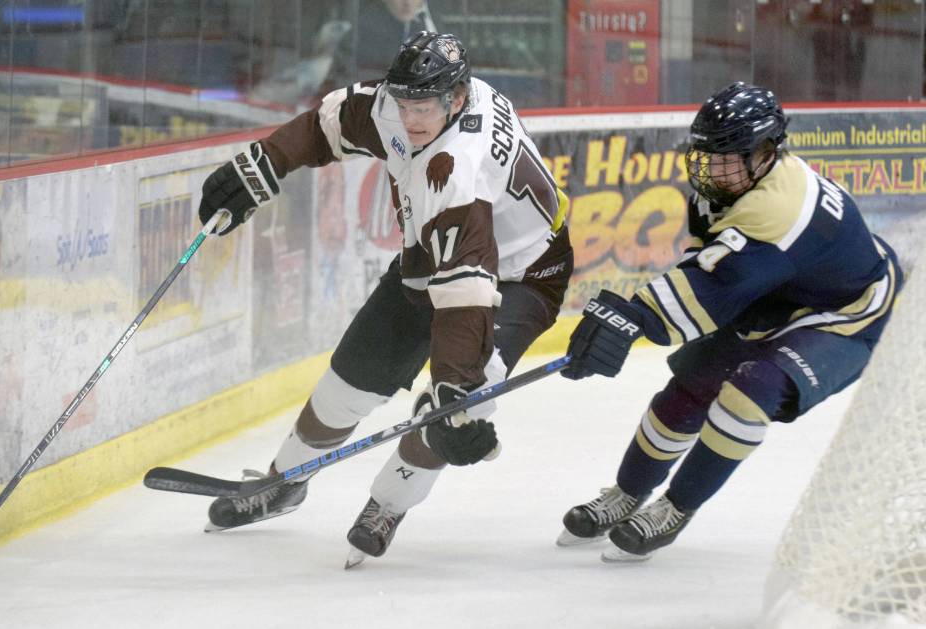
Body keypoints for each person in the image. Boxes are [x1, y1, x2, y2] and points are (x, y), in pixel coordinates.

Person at [195, 31, 572, 567]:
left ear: (457, 99)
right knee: (348, 383)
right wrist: (263, 164)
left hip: (522, 276)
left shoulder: (460, 166)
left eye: (424, 108)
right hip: (434, 250)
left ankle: (388, 504)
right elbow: (330, 125)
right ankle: (283, 484)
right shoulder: (408, 102)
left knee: (450, 409)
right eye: (405, 103)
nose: (411, 118)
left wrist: (452, 391)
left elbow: (465, 295)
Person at [556, 81, 902, 562]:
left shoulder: (778, 207)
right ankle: (627, 492)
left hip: (849, 312)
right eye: (706, 155)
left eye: (727, 157)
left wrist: (632, 317)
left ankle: (676, 507)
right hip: (782, 292)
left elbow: (712, 290)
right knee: (692, 383)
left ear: (766, 153)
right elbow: (706, 264)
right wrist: (632, 316)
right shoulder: (723, 189)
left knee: (749, 391)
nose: (712, 169)